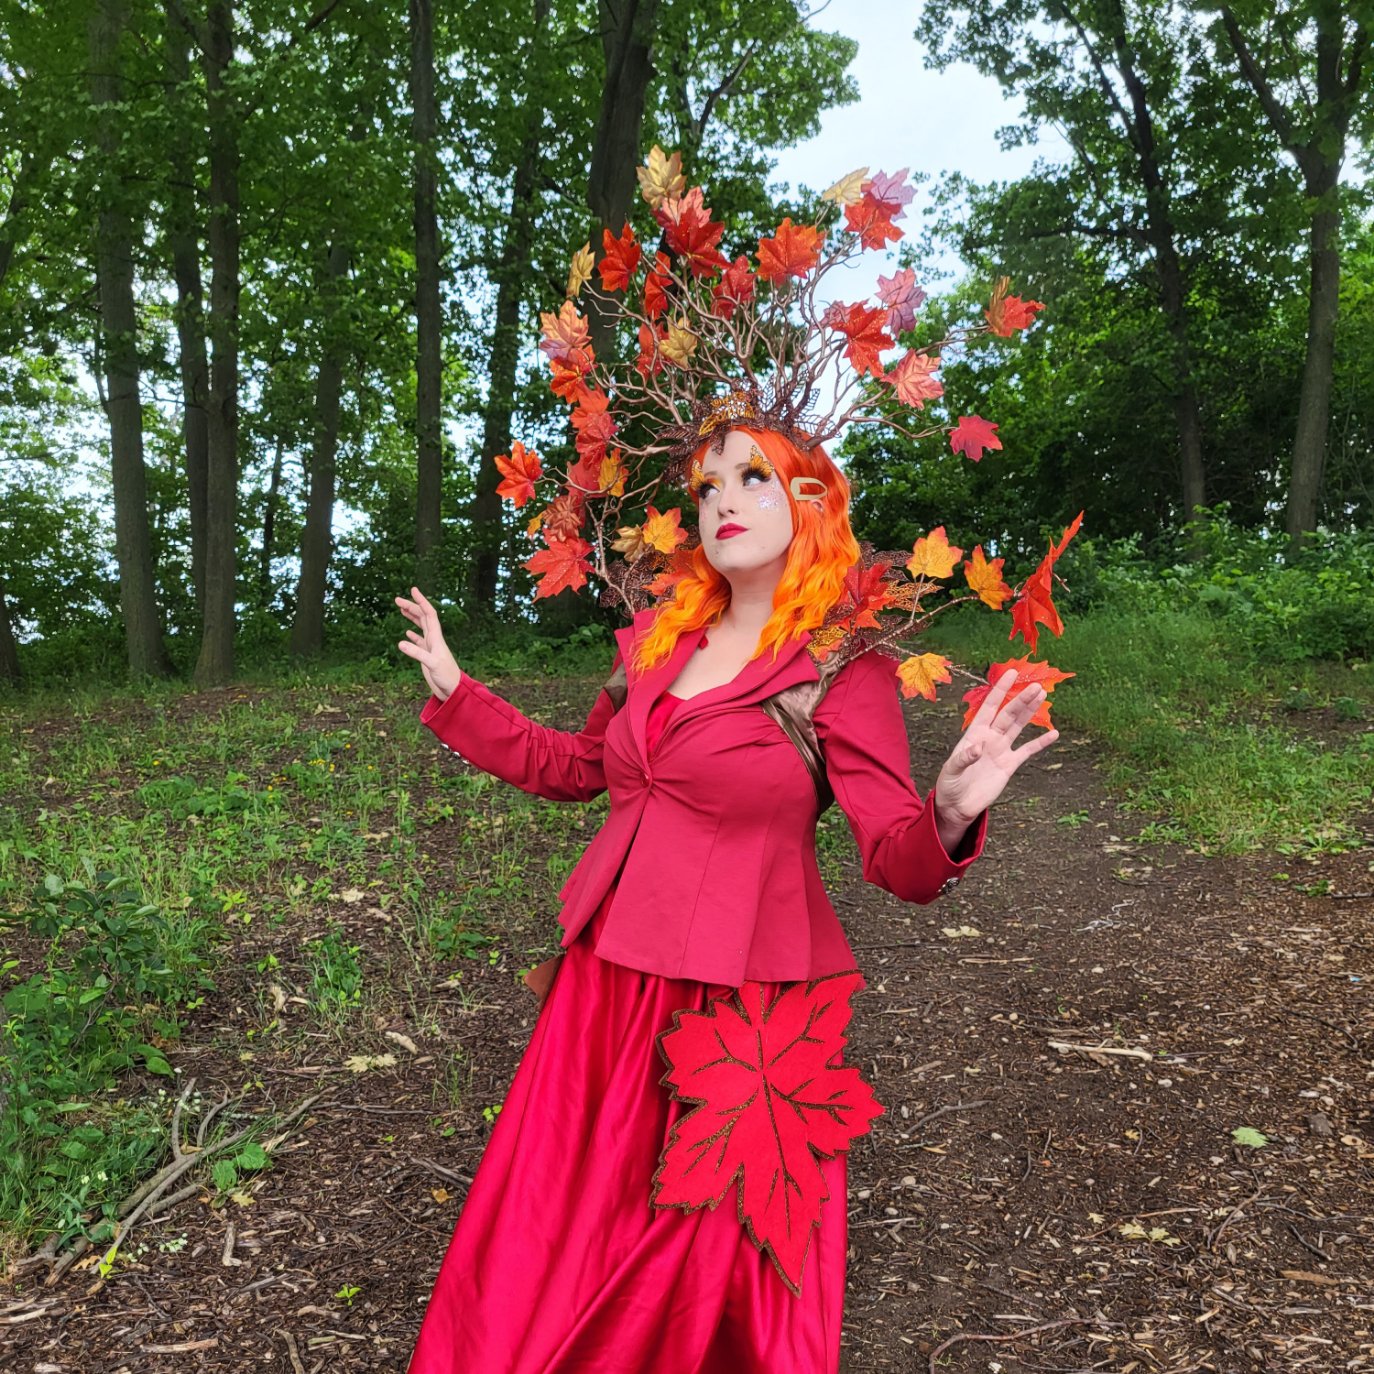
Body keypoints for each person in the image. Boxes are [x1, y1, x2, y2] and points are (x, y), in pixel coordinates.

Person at [396, 423, 1058, 1373]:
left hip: (739, 1004)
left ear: (812, 504)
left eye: (754, 478)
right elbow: (583, 768)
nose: (724, 503)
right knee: (571, 1207)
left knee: (704, 1241)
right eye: (708, 488)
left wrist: (950, 811)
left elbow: (896, 860)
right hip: (607, 985)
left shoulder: (840, 671)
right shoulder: (656, 642)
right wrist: (461, 692)